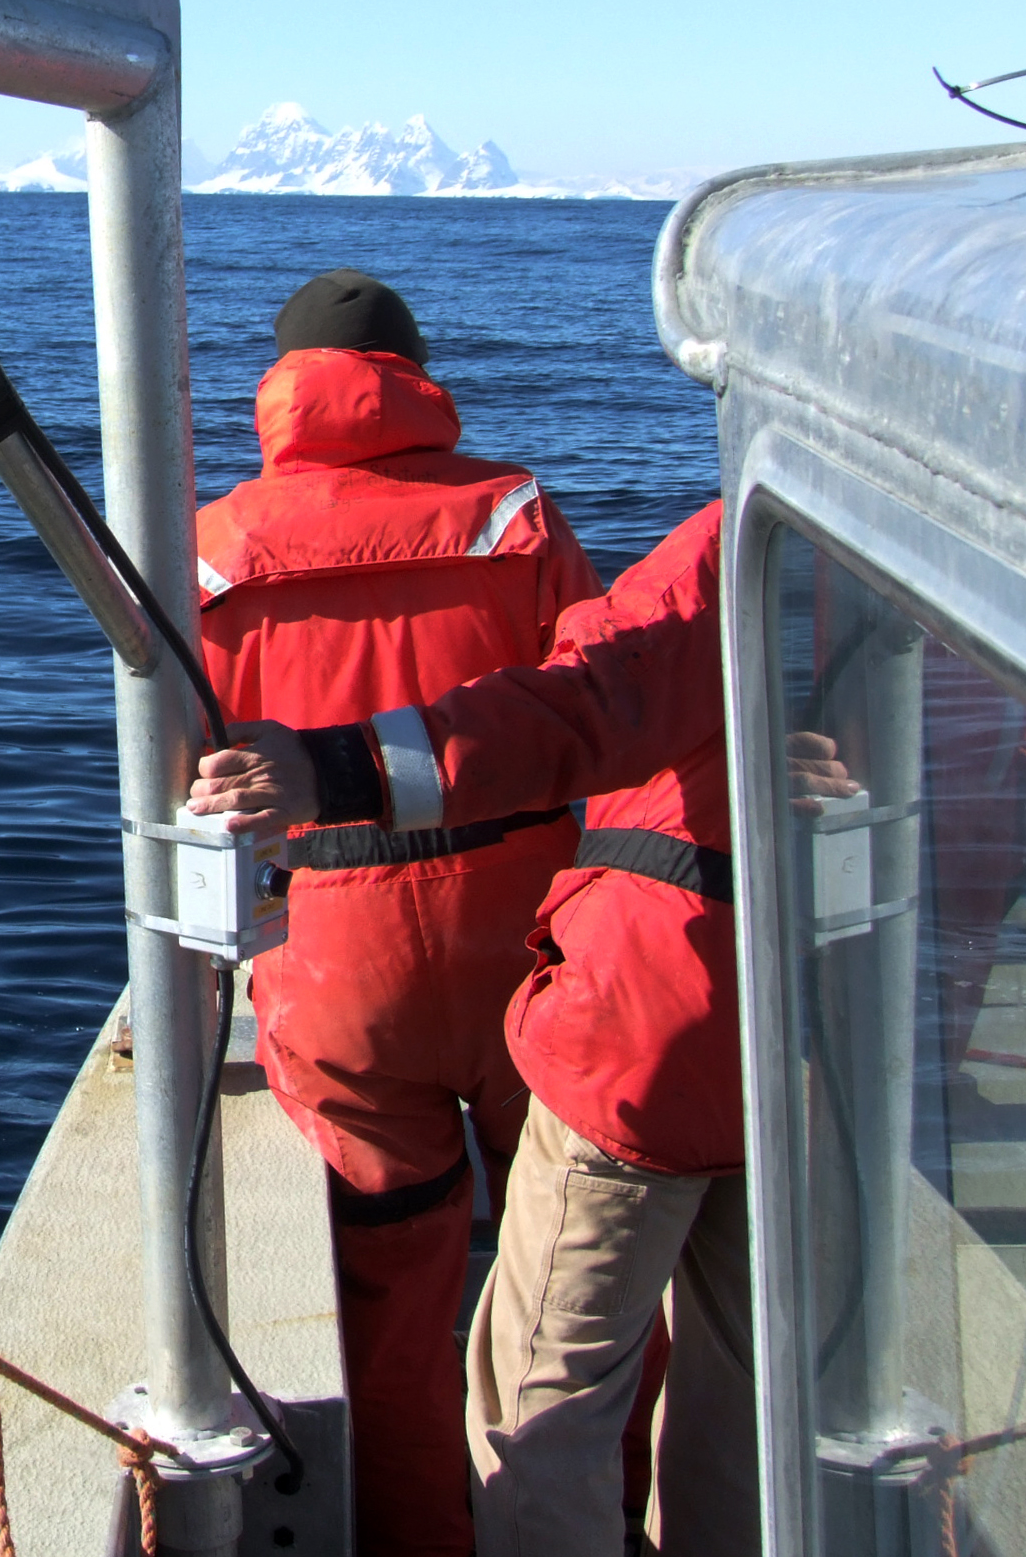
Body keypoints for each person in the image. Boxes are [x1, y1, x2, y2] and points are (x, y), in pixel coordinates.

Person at [189, 502, 853, 1557]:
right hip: (820, 1043)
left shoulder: (760, 529)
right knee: (740, 1380)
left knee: (533, 1376)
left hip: (620, 1025)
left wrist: (335, 769)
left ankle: (414, 1529)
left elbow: (588, 704)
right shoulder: (520, 517)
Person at [193, 269, 600, 1557]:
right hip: (533, 949)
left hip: (339, 968)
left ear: (280, 388)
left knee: (393, 1298)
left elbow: (183, 780)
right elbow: (606, 707)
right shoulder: (516, 516)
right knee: (569, 1294)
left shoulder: (210, 546)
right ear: (418, 376)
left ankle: (422, 1535)